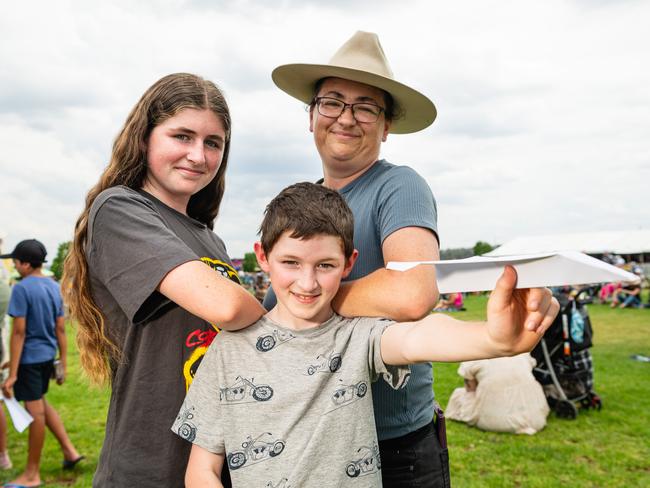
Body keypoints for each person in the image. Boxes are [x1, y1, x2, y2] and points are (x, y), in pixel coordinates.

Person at [268, 31, 557, 486]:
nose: (346, 117)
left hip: (391, 444)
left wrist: (302, 297)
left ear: (386, 127)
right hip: (311, 434)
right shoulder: (304, 204)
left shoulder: (397, 186)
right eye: (332, 102)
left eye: (365, 107)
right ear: (311, 116)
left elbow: (412, 292)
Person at [173, 182, 558, 487]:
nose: (307, 282)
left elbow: (418, 337)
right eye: (291, 262)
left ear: (349, 263)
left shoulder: (357, 336)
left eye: (325, 265)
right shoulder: (227, 350)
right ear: (263, 256)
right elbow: (201, 470)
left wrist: (493, 339)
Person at [62, 73, 265, 488]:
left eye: (213, 143)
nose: (198, 154)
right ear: (145, 138)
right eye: (182, 136)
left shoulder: (209, 236)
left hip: (216, 460)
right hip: (151, 462)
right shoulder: (119, 209)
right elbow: (225, 307)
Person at [0, 239, 83, 488]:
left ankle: (31, 475)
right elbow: (60, 328)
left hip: (29, 361)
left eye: (15, 261)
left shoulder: (22, 289)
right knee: (41, 404)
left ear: (25, 264)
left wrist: (12, 373)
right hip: (47, 357)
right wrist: (63, 364)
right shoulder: (53, 286)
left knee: (34, 412)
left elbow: (19, 333)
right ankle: (69, 451)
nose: (14, 265)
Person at [445, 353, 550, 435]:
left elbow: (471, 389)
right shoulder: (521, 352)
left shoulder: (476, 356)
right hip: (535, 421)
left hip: (494, 423)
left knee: (459, 395)